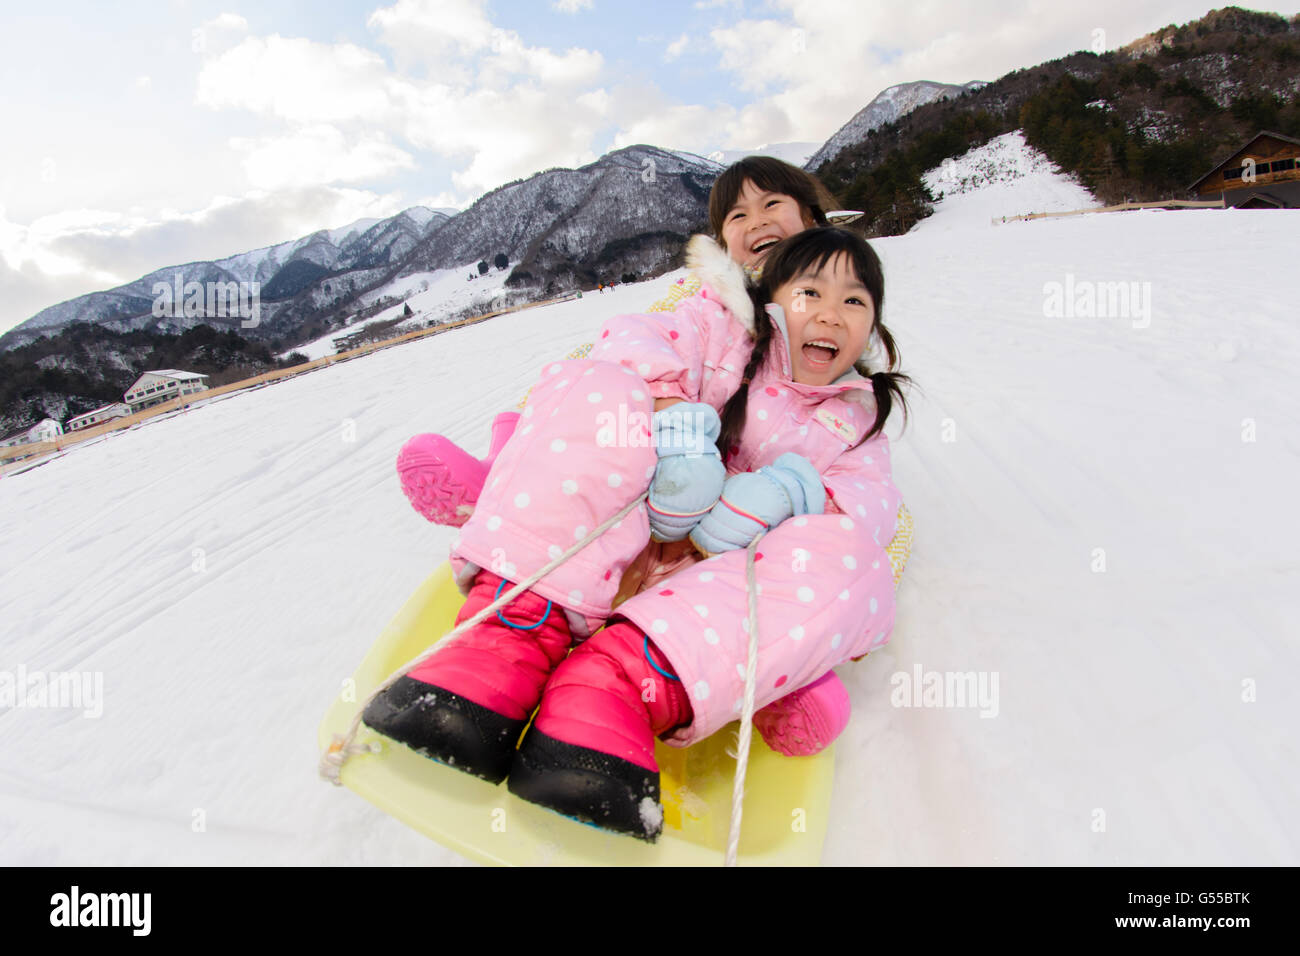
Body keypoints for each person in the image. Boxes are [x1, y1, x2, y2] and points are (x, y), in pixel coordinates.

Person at [363, 226, 910, 841]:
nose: (830, 314)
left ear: (873, 329)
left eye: (854, 301)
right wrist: (671, 418)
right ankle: (507, 636)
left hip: (700, 609)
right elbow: (629, 340)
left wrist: (792, 496)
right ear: (771, 300)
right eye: (810, 292)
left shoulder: (859, 425)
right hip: (596, 545)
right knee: (591, 384)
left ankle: (610, 689)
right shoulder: (720, 332)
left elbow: (871, 512)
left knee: (860, 562)